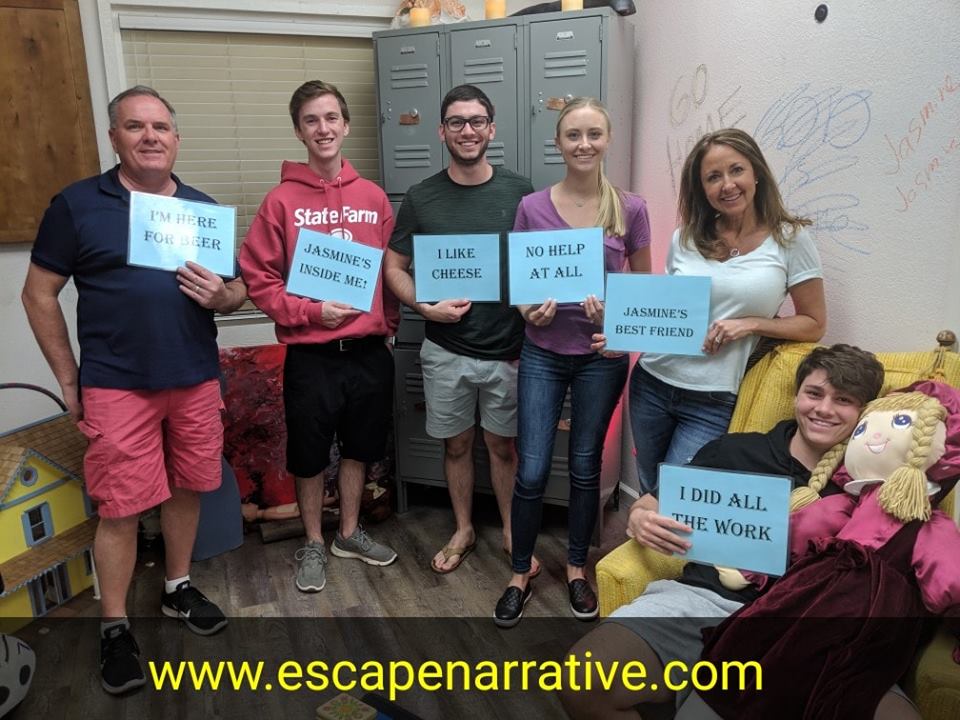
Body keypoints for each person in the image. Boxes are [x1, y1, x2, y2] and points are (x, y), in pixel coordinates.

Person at [21, 86, 247, 695]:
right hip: (118, 386)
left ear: (177, 138)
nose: (151, 137)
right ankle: (115, 625)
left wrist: (225, 295)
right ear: (114, 137)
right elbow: (38, 294)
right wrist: (69, 378)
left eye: (161, 127)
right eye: (135, 126)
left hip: (194, 378)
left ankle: (177, 586)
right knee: (120, 507)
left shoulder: (201, 210)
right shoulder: (77, 205)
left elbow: (236, 290)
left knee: (189, 486)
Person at [559, 344, 921, 719]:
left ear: (864, 412)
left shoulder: (874, 486)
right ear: (797, 396)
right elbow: (653, 502)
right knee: (581, 679)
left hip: (816, 626)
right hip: (706, 602)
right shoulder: (735, 451)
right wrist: (640, 516)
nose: (824, 409)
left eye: (843, 400)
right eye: (814, 393)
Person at [492, 97, 651, 628]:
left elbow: (643, 287)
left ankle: (578, 569)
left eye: (594, 134)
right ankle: (520, 573)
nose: (584, 144)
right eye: (573, 135)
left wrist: (618, 320)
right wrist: (527, 311)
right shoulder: (531, 207)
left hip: (600, 359)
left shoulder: (630, 208)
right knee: (532, 467)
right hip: (542, 352)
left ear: (608, 140)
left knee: (585, 467)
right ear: (558, 143)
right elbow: (520, 283)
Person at [239, 81, 400, 595]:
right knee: (309, 456)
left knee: (359, 448)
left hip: (368, 353)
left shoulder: (373, 197)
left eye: (331, 118)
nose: (323, 128)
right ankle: (313, 541)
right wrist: (310, 312)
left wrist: (388, 327)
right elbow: (258, 277)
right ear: (299, 131)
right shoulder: (280, 201)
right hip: (311, 356)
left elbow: (392, 271)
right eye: (311, 120)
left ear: (345, 125)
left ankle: (349, 533)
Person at [613, 128, 827, 498]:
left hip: (713, 399)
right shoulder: (685, 237)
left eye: (736, 170)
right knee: (650, 490)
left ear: (756, 173)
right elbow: (667, 313)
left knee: (677, 499)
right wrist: (618, 329)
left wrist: (752, 324)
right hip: (652, 383)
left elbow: (814, 323)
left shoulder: (790, 239)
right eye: (713, 177)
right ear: (702, 189)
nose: (727, 184)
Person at [384, 84, 536, 575]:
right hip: (445, 348)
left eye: (476, 121)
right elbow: (394, 267)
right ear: (441, 131)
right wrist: (423, 308)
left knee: (502, 446)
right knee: (456, 444)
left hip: (507, 348)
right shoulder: (421, 197)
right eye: (456, 122)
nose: (466, 130)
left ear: (491, 129)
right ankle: (464, 528)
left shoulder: (520, 192)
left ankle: (512, 531)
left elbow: (538, 264)